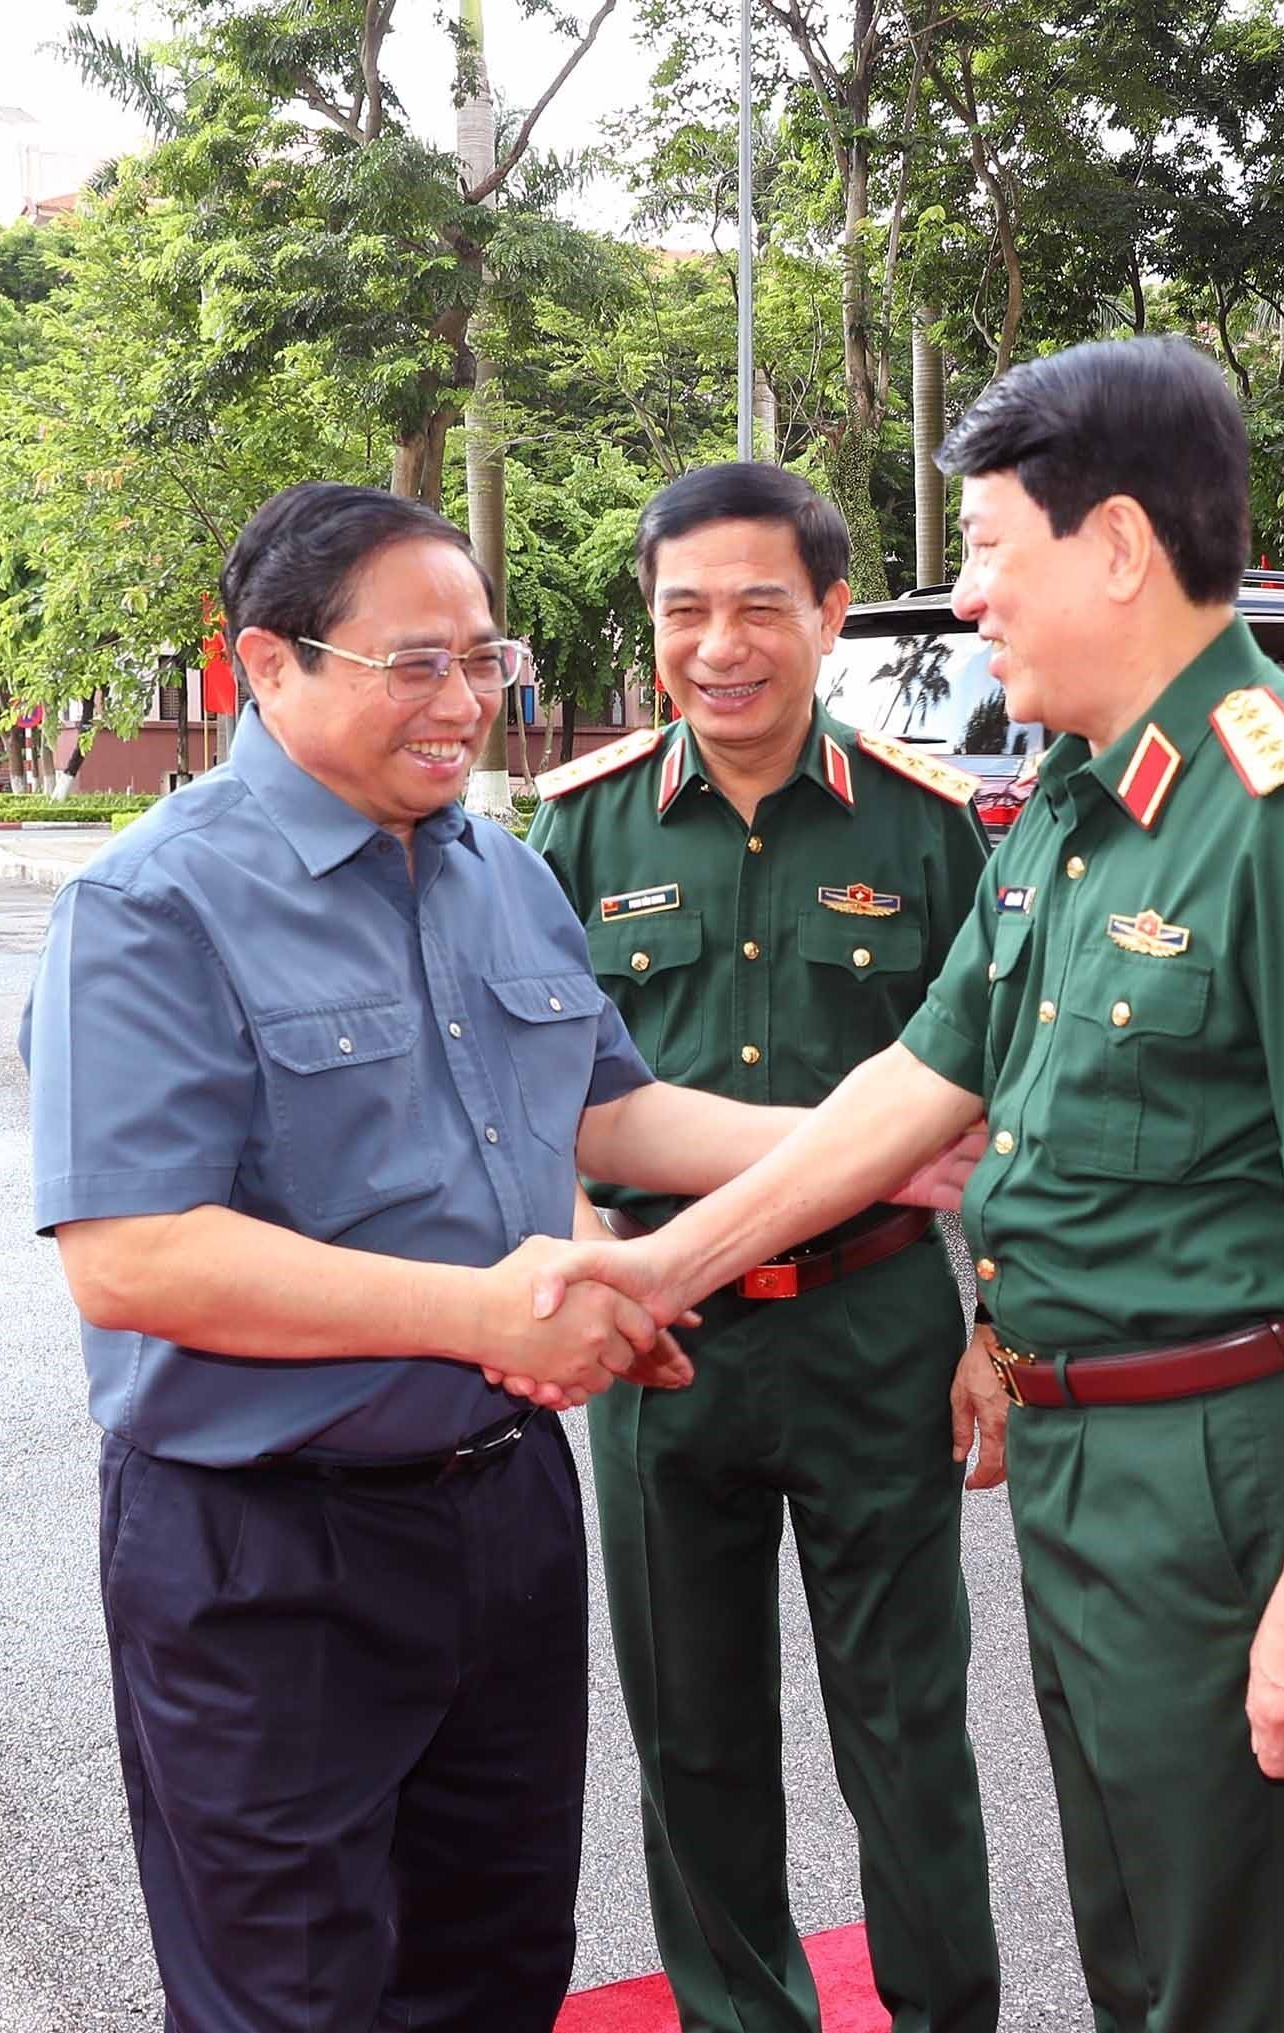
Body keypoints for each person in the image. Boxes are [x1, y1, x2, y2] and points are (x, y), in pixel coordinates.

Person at [528, 337, 1284, 2032]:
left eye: (983, 551)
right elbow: (912, 1086)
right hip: (1083, 1457)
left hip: (1227, 1475)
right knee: (1141, 1942)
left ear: (1113, 545)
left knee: (1240, 1966)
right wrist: (658, 1279)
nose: (964, 601)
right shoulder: (1078, 811)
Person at [20, 481, 969, 2033]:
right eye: (417, 665)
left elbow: (617, 1114)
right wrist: (485, 1313)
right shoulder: (151, 905)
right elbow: (133, 1257)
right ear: (269, 665)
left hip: (501, 1517)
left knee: (493, 1968)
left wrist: (869, 1142)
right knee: (295, 1995)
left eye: (486, 659)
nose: (465, 703)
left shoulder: (497, 870)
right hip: (268, 1548)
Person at [527, 462, 1005, 2033]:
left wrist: (993, 1329)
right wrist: (581, 1268)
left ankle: (944, 2012)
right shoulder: (578, 832)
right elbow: (538, 1101)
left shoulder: (933, 834)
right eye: (684, 611)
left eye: (757, 607)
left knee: (903, 1723)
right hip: (665, 1355)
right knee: (694, 1734)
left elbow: (1012, 1103)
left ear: (829, 617)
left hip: (874, 1335)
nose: (718, 644)